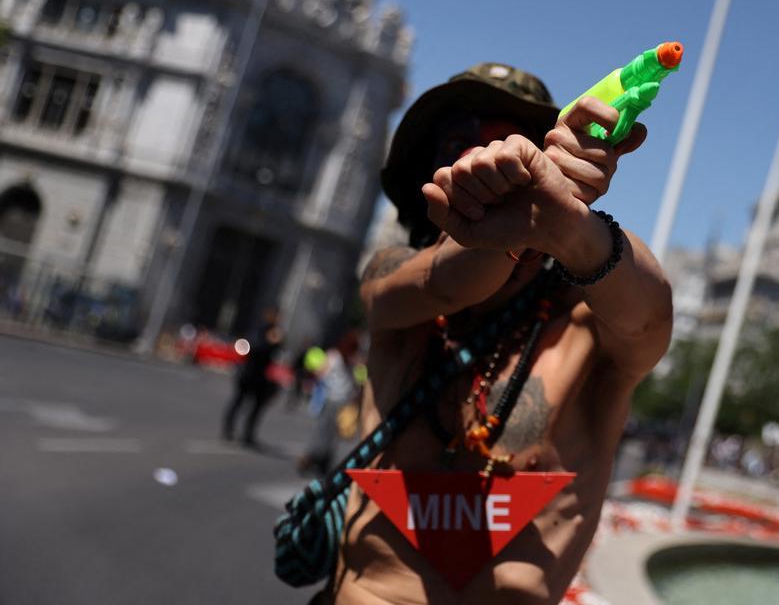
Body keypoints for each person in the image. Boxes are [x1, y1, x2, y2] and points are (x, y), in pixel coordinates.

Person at [323, 62, 673, 604]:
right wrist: (507, 227)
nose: (482, 160)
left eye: (510, 145)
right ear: (425, 174)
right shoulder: (395, 281)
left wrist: (569, 228)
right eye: (461, 144)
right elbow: (444, 284)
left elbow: (649, 318)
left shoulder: (587, 327)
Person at [297, 330, 362, 476]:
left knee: (331, 433)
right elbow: (321, 372)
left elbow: (354, 381)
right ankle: (310, 459)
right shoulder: (335, 357)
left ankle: (321, 462)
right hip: (332, 399)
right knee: (324, 432)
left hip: (341, 400)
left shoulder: (348, 360)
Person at [221, 307, 284, 447]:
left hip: (262, 377)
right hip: (249, 373)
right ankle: (228, 428)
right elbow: (252, 347)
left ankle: (248, 434)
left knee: (257, 407)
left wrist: (276, 342)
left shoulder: (276, 332)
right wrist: (269, 342)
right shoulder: (260, 330)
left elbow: (277, 351)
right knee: (238, 401)